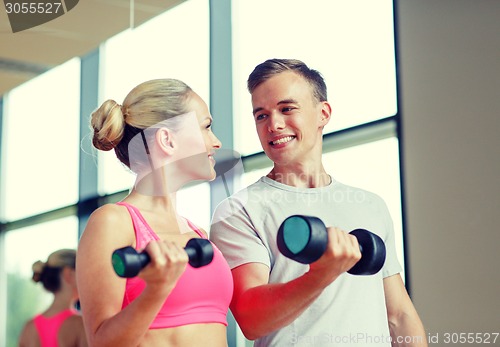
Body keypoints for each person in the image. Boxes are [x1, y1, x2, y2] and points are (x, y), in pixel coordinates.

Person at [210, 59, 428, 347]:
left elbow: (398, 315)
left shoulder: (369, 205)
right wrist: (321, 275)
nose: (273, 124)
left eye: (287, 109)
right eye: (261, 115)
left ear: (323, 113)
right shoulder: (239, 211)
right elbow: (251, 321)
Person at [76, 79, 233, 346]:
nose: (216, 142)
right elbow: (101, 342)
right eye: (206, 127)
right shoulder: (113, 222)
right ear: (167, 139)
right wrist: (157, 289)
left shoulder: (198, 234)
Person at [19, 249, 88, 347]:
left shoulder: (28, 328)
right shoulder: (80, 325)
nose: (88, 278)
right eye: (84, 272)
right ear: (69, 274)